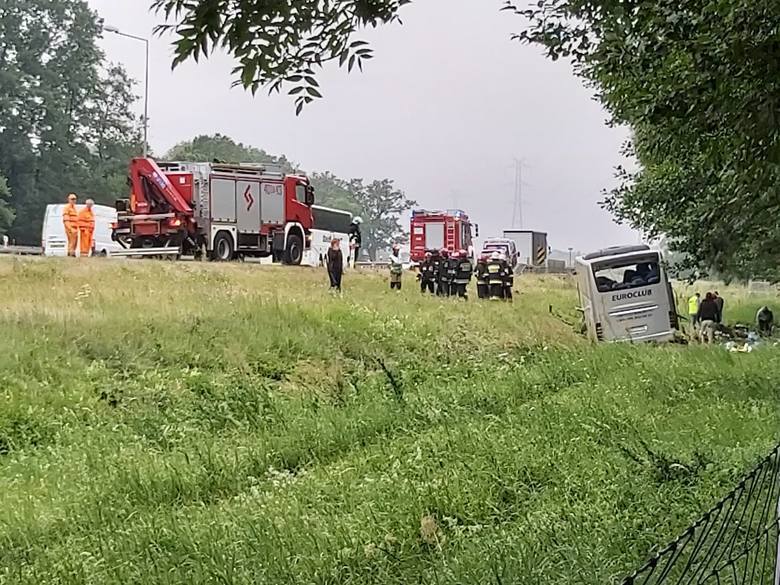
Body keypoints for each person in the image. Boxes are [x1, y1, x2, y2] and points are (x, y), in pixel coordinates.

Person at [63, 193, 79, 257]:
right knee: (72, 242)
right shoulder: (67, 208)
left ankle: (72, 253)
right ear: (68, 200)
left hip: (75, 228)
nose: (74, 200)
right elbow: (66, 220)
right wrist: (70, 228)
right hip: (70, 228)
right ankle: (71, 254)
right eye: (72, 199)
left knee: (75, 242)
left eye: (75, 199)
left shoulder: (74, 208)